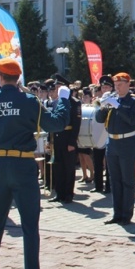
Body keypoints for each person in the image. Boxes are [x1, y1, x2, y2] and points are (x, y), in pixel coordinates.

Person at [0, 58, 71, 269]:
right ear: (18, 78)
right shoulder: (28, 101)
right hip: (22, 164)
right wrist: (64, 101)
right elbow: (56, 124)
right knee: (29, 224)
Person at [96, 72, 135, 225]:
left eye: (120, 84)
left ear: (128, 85)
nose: (117, 87)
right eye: (115, 85)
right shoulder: (112, 99)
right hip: (112, 143)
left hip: (127, 142)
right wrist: (103, 106)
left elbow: (132, 120)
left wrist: (118, 106)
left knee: (127, 180)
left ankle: (126, 215)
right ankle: (117, 213)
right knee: (114, 180)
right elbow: (98, 119)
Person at [49, 74, 81, 204]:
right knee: (58, 166)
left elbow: (77, 123)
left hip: (68, 137)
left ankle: (68, 194)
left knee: (68, 167)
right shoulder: (56, 102)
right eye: (56, 86)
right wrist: (49, 140)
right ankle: (59, 193)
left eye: (59, 86)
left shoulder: (74, 102)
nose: (56, 89)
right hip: (57, 137)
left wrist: (72, 142)